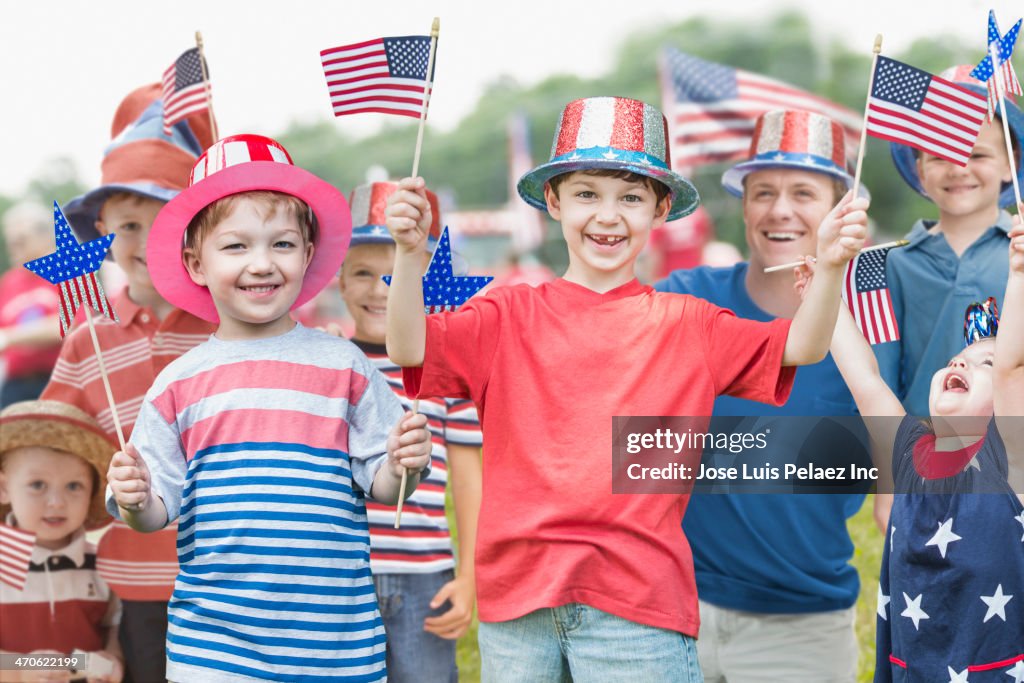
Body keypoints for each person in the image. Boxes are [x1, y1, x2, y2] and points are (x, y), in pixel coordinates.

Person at [384, 96, 868, 681]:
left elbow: (802, 346)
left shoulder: (688, 321)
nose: (608, 216)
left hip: (638, 607)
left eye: (631, 197)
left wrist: (834, 268)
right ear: (555, 202)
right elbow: (408, 348)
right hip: (517, 603)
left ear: (660, 209)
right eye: (587, 193)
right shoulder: (504, 315)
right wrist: (409, 258)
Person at [105, 133, 433, 683]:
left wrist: (405, 463)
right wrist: (136, 498)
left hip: (335, 646)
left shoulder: (345, 365)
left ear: (307, 254)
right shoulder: (178, 383)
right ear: (196, 262)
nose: (262, 263)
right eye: (236, 247)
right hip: (215, 647)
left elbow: (385, 485)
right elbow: (155, 510)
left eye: (282, 244)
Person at [655, 109, 878, 682]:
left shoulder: (874, 327)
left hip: (802, 623)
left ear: (840, 207)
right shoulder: (687, 298)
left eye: (804, 191)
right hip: (676, 609)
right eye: (763, 192)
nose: (780, 209)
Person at [41, 83, 217, 683]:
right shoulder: (88, 340)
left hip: (236, 575)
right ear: (104, 233)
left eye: (167, 221)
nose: (147, 243)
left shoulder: (236, 326)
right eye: (130, 225)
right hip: (135, 579)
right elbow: (55, 444)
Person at [817, 214, 1024, 681]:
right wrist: (825, 283)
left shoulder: (1010, 459)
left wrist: (1018, 274)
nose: (959, 360)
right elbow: (865, 379)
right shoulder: (909, 451)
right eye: (958, 357)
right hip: (914, 669)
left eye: (981, 361)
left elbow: (1013, 368)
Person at [340, 181, 484, 682]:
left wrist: (468, 576)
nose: (381, 289)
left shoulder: (450, 370)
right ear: (338, 281)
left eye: (397, 272)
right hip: (342, 574)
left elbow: (469, 481)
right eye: (361, 273)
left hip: (426, 574)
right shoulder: (330, 361)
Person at [876, 65, 1024, 418]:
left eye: (977, 154)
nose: (959, 169)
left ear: (1010, 164)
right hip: (922, 455)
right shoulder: (892, 263)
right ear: (919, 171)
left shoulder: (1019, 253)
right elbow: (879, 383)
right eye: (940, 156)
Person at [0, 400, 124, 682]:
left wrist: (112, 659)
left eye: (73, 486)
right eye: (37, 485)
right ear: (4, 488)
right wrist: (21, 670)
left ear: (93, 490)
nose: (56, 502)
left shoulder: (102, 562)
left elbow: (115, 625)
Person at [0, 203, 61, 407]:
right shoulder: (8, 282)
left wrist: (10, 337)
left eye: (21, 240)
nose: (13, 245)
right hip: (15, 385)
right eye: (11, 241)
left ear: (45, 236)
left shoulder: (66, 272)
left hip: (58, 380)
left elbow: (66, 324)